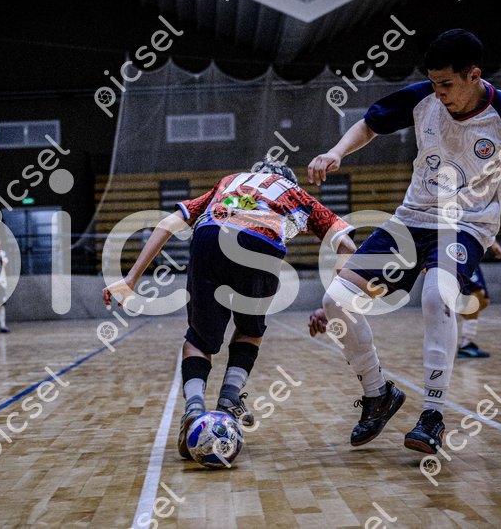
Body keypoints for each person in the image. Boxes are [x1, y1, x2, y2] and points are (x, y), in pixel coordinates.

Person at [307, 29, 501, 454]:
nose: (439, 92)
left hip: (465, 225)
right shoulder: (422, 97)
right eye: (434, 83)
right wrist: (336, 152)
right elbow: (370, 123)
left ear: (473, 75)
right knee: (335, 301)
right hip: (412, 218)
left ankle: (433, 415)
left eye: (446, 84)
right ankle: (378, 393)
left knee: (436, 296)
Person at [102, 158, 356, 459]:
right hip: (261, 242)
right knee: (250, 330)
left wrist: (131, 278)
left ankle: (193, 408)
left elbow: (168, 224)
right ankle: (228, 400)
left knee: (199, 340)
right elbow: (348, 248)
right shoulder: (293, 191)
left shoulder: (228, 182)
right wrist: (333, 302)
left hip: (209, 237)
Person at [456, 241, 501, 358]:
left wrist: (493, 242)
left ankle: (461, 339)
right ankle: (466, 343)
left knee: (484, 301)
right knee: (477, 294)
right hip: (458, 249)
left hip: (470, 250)